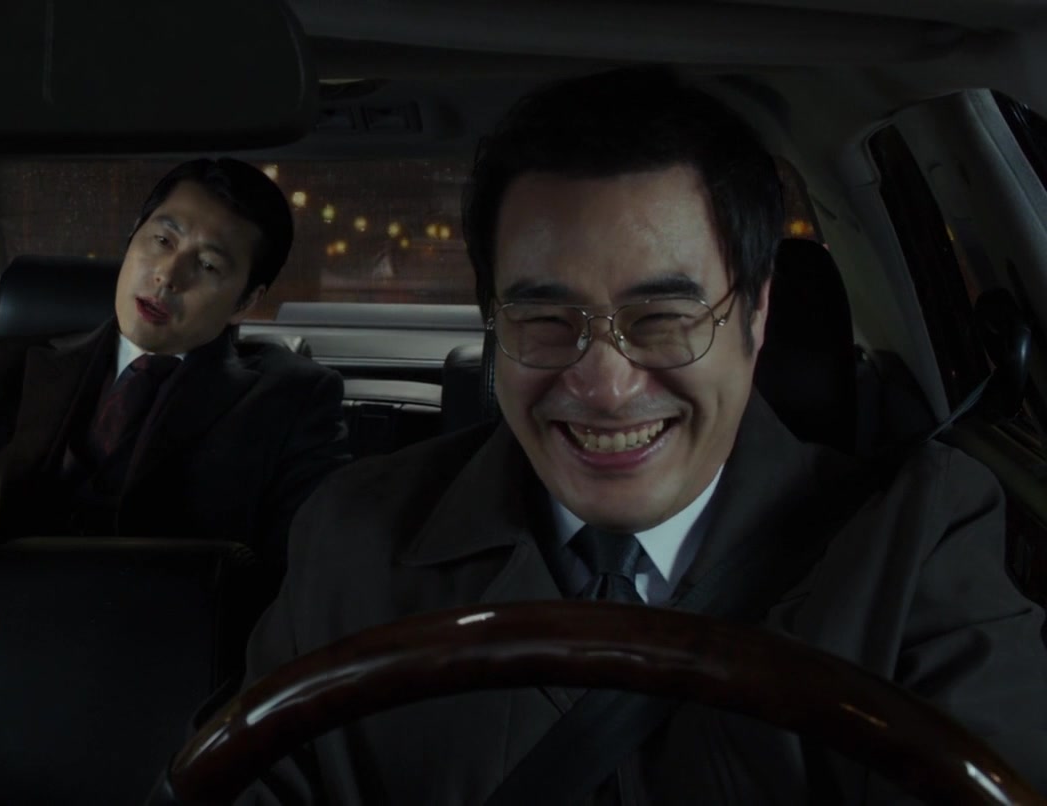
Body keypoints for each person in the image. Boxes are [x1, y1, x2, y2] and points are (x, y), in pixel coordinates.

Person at [232, 67, 1047, 803]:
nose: (605, 386)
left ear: (755, 315)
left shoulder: (917, 545)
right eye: (546, 320)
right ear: (494, 324)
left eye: (662, 318)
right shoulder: (356, 538)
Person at [0, 158, 349, 558]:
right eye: (162, 241)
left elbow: (304, 567)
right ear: (132, 237)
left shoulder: (290, 402)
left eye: (207, 265)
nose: (168, 275)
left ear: (245, 302)